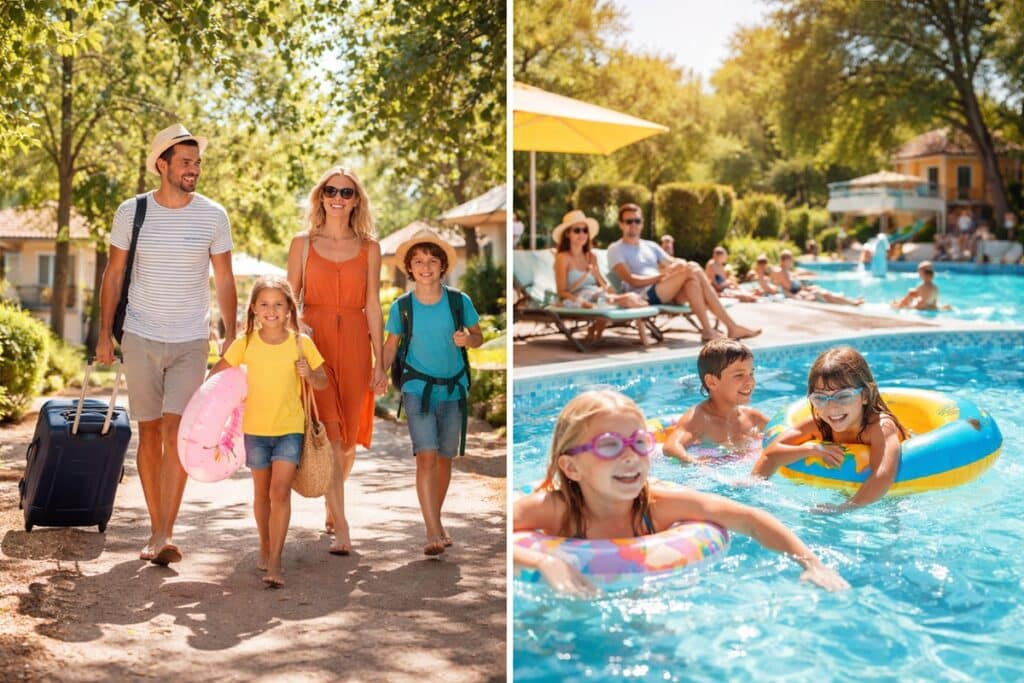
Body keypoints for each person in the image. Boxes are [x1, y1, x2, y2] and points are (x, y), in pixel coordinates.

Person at [513, 390, 849, 596]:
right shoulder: (556, 509)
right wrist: (542, 561)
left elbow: (750, 519)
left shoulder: (657, 506)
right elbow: (498, 534)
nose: (630, 456)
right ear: (572, 468)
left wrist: (812, 564)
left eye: (639, 443)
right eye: (610, 446)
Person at [96, 123, 237, 565]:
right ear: (162, 165)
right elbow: (114, 275)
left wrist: (233, 337)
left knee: (178, 434)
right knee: (150, 433)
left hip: (191, 339)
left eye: (197, 163)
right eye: (185, 163)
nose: (194, 169)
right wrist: (103, 334)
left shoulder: (214, 215)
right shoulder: (131, 212)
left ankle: (164, 534)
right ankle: (156, 528)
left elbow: (226, 279)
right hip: (139, 334)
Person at [287, 167, 387, 556]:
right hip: (315, 341)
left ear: (356, 200)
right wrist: (293, 341)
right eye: (331, 190)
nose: (338, 197)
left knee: (347, 445)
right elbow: (289, 298)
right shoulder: (303, 244)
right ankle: (342, 523)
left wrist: (380, 361)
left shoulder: (370, 247)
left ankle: (333, 502)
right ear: (321, 196)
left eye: (346, 192)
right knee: (330, 434)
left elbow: (375, 306)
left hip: (357, 344)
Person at [208, 276, 327, 587]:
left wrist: (309, 373)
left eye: (278, 304)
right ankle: (264, 545)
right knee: (261, 494)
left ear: (289, 308)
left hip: (289, 428)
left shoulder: (301, 342)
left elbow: (324, 381)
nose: (271, 310)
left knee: (279, 492)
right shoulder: (245, 343)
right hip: (255, 430)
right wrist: (203, 411)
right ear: (254, 309)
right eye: (264, 304)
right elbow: (218, 373)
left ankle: (275, 559)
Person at [382, 231, 484, 556]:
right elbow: (390, 346)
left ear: (441, 266)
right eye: (418, 261)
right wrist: (377, 374)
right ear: (410, 269)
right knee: (425, 456)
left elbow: (479, 336)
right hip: (417, 387)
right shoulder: (402, 307)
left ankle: (437, 520)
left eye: (432, 260)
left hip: (453, 387)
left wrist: (468, 341)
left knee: (443, 458)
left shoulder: (459, 301)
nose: (426, 266)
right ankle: (431, 530)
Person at [752, 347, 906, 511]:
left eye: (844, 396)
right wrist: (811, 448)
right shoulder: (819, 425)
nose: (832, 407)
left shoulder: (880, 427)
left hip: (895, 495)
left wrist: (844, 508)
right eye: (820, 398)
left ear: (865, 396)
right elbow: (771, 453)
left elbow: (883, 476)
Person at [607, 203, 760, 342]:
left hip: (665, 290)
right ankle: (731, 327)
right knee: (692, 268)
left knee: (691, 281)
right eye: (629, 221)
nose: (633, 225)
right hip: (643, 294)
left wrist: (678, 264)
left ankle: (708, 331)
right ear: (621, 224)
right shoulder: (616, 249)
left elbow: (671, 261)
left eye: (637, 221)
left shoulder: (650, 246)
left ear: (641, 223)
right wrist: (663, 275)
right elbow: (632, 280)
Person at [551, 210, 653, 345]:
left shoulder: (591, 256)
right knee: (629, 299)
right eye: (577, 230)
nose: (582, 234)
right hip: (576, 298)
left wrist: (596, 274)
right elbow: (562, 292)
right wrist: (582, 303)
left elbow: (602, 285)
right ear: (568, 234)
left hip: (596, 294)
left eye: (585, 230)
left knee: (631, 299)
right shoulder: (562, 258)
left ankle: (596, 331)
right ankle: (644, 340)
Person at [663, 339, 769, 463]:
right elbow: (670, 447)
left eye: (751, 373)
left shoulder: (753, 417)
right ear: (711, 382)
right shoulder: (699, 418)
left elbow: (781, 432)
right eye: (739, 375)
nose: (750, 382)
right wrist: (694, 462)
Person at [772, 250, 864, 306]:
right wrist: (803, 289)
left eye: (791, 259)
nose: (791, 262)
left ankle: (849, 300)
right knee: (824, 294)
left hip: (801, 292)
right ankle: (852, 303)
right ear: (783, 260)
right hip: (799, 295)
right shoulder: (780, 272)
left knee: (822, 291)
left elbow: (793, 283)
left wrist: (804, 284)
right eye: (789, 259)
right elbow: (790, 289)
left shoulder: (787, 272)